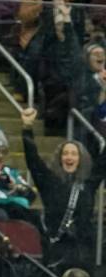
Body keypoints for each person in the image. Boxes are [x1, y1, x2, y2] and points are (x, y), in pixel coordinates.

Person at [21, 106, 106, 268]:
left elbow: (103, 162)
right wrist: (27, 128)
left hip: (83, 251)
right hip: (56, 251)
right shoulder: (49, 181)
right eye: (65, 153)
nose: (69, 157)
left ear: (81, 159)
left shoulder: (89, 182)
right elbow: (33, 160)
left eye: (74, 154)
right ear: (59, 158)